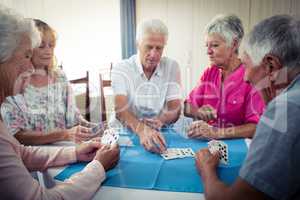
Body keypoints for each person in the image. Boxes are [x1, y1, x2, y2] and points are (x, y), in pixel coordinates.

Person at [0, 6, 119, 199]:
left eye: (51, 45)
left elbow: (19, 152)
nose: (30, 67)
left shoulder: (59, 77)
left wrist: (76, 152)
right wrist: (98, 167)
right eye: (26, 55)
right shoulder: (14, 91)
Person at [195, 15, 300, 200]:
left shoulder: (287, 108)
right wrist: (197, 112)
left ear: (270, 65)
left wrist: (206, 169)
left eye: (247, 63)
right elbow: (189, 105)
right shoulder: (210, 72)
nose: (245, 77)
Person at [1, 19, 98, 145]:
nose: (48, 51)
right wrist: (64, 134)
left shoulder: (60, 77)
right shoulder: (14, 83)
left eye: (51, 45)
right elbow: (16, 135)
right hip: (34, 156)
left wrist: (96, 128)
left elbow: (74, 119)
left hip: (68, 149)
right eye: (41, 46)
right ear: (28, 49)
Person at [184, 14, 265, 139]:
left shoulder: (251, 76)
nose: (208, 51)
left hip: (238, 148)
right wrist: (198, 112)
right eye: (207, 46)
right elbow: (187, 107)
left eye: (215, 45)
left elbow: (256, 127)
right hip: (209, 145)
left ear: (233, 44)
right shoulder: (210, 73)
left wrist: (217, 132)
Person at [111, 19, 181, 153]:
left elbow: (175, 107)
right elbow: (120, 110)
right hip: (125, 134)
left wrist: (161, 120)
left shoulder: (172, 66)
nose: (154, 54)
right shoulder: (121, 68)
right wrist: (142, 130)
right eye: (149, 47)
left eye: (159, 48)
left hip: (159, 131)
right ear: (138, 44)